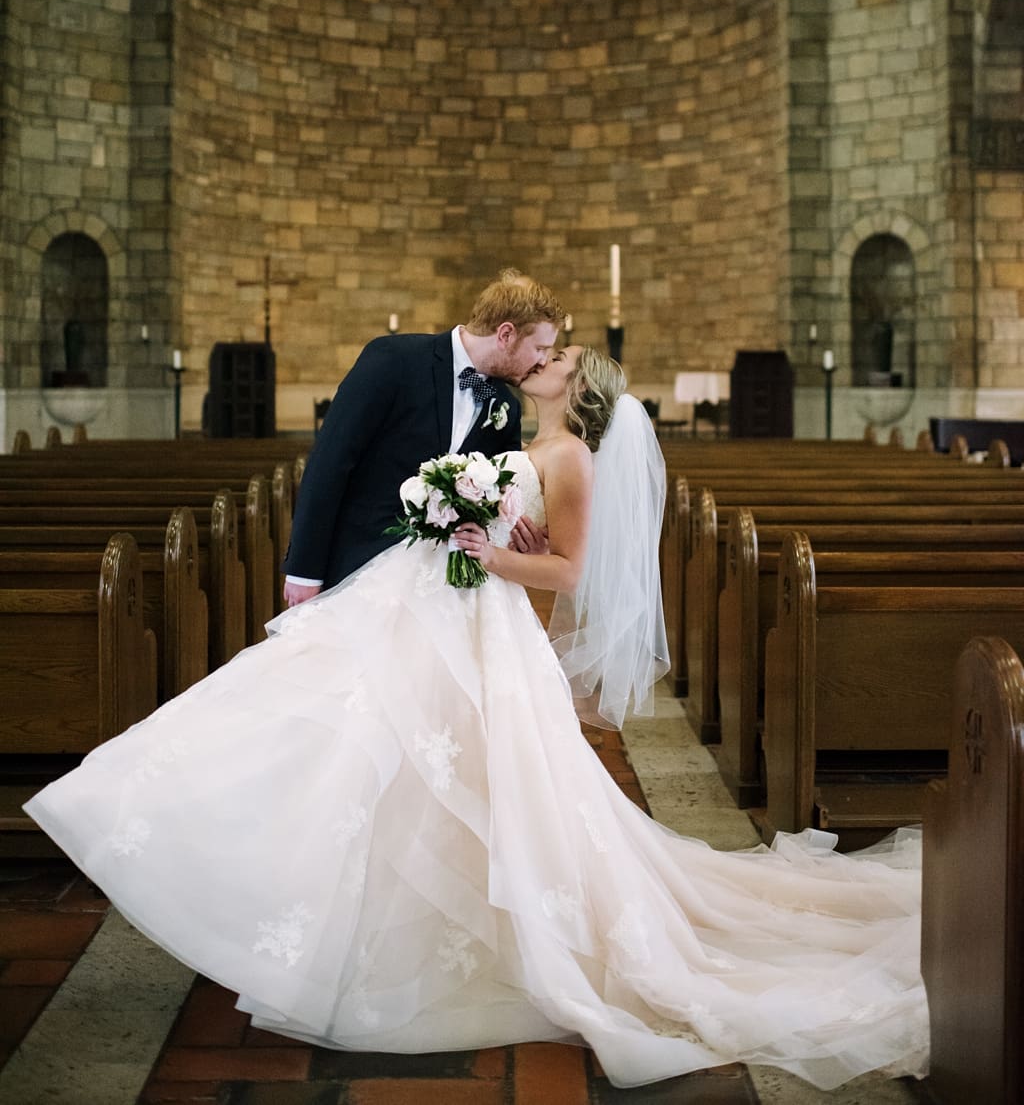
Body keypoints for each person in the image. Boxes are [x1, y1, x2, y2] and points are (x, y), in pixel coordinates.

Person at [25, 345, 927, 1092]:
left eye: (561, 356)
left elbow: (569, 572)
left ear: (576, 389)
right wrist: (491, 543)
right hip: (447, 619)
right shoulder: (522, 434)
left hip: (477, 622)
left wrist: (489, 553)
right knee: (400, 755)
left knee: (452, 769)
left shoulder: (569, 457)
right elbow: (539, 550)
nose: (546, 356)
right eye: (543, 345)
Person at [282, 268, 562, 598]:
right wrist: (304, 570)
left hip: (442, 590)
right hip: (360, 568)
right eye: (541, 348)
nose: (543, 362)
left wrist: (523, 543)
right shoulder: (393, 360)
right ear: (505, 334)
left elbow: (495, 508)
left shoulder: (505, 408)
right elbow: (330, 463)